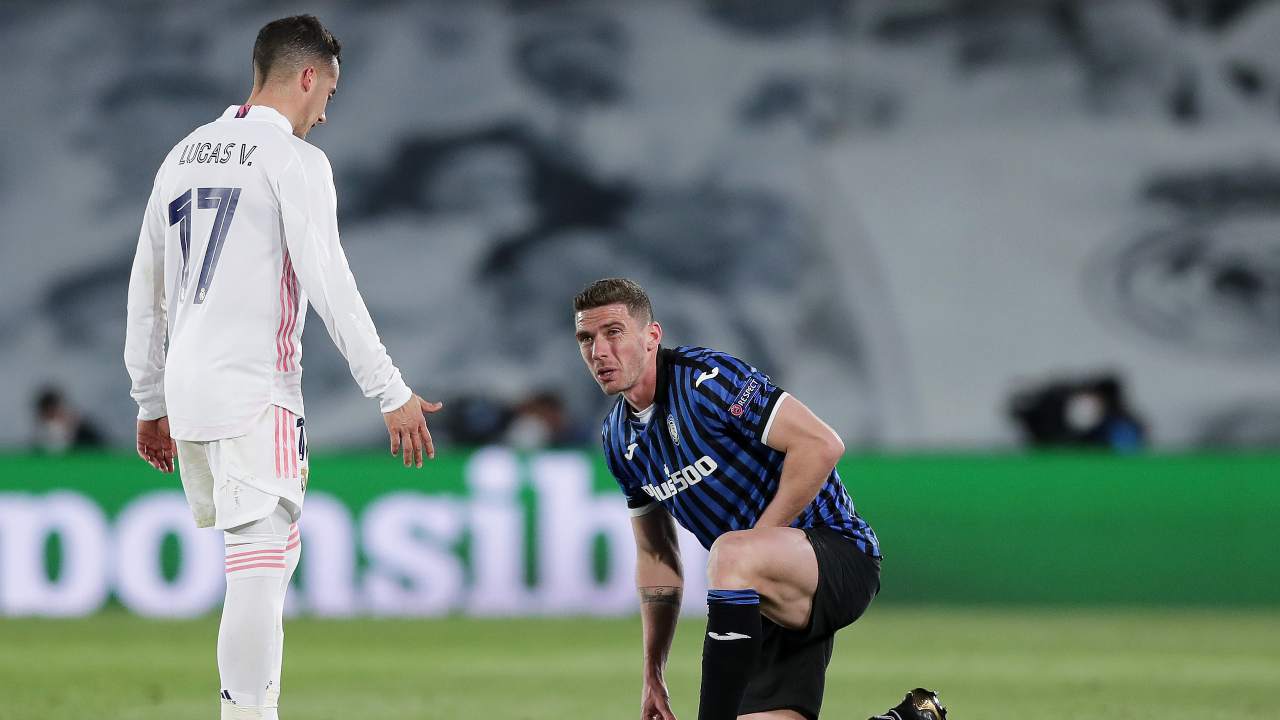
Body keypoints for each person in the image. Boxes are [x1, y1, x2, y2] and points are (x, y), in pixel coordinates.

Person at [124, 15, 442, 720]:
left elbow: (146, 287)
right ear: (306, 75)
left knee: (271, 550)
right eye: (329, 89)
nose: (327, 111)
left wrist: (150, 400)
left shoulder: (183, 155)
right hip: (253, 388)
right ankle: (246, 714)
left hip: (190, 384)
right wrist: (389, 390)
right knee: (260, 564)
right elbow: (330, 284)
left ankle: (252, 705)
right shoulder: (294, 162)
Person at [571, 278, 945, 720]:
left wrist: (754, 543)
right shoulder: (617, 440)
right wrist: (653, 672)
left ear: (652, 336)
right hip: (756, 600)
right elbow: (657, 559)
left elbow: (821, 445)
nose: (599, 351)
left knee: (730, 551)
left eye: (613, 332)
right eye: (586, 339)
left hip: (836, 555)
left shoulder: (708, 381)